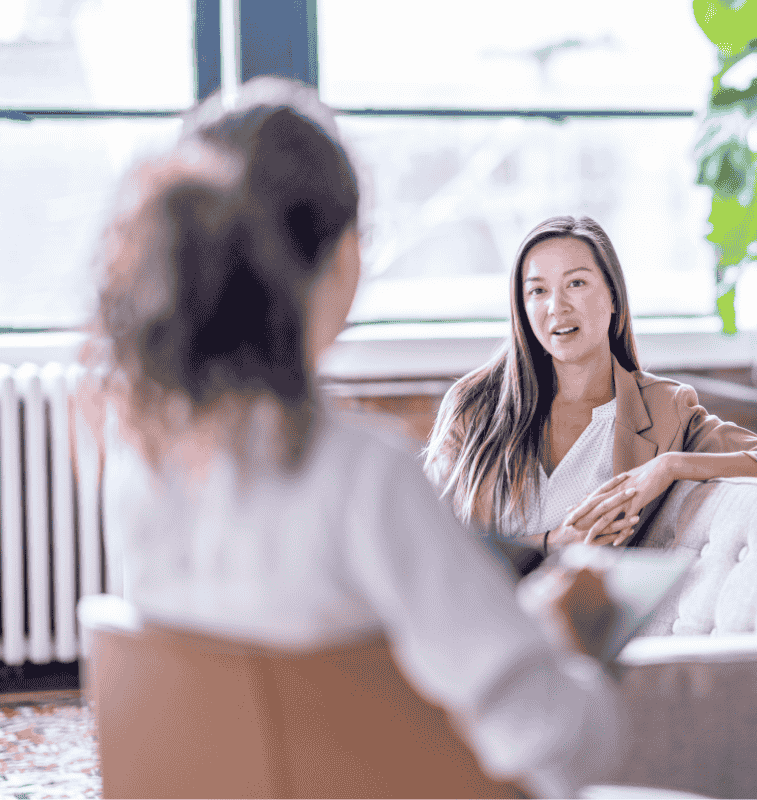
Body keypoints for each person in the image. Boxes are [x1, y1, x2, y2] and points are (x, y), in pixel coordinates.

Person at [84, 78, 626, 799]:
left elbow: (297, 688)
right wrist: (568, 647)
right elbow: (562, 743)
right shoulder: (363, 477)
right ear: (342, 258)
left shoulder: (141, 465)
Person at [425, 216, 757, 553]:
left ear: (614, 296)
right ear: (523, 307)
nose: (556, 306)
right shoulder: (473, 406)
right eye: (538, 290)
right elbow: (429, 546)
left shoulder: (665, 410)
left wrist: (671, 465)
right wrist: (553, 543)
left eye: (576, 283)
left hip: (598, 634)